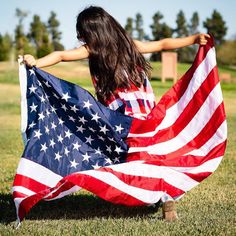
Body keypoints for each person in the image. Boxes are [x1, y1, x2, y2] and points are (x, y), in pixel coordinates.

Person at [23, 6, 210, 221]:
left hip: (121, 119)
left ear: (93, 32)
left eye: (81, 32)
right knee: (151, 158)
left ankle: (157, 193)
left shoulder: (94, 50)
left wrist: (36, 62)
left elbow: (62, 55)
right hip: (146, 115)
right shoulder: (130, 45)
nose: (79, 37)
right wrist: (193, 39)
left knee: (132, 159)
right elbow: (162, 43)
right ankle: (164, 195)